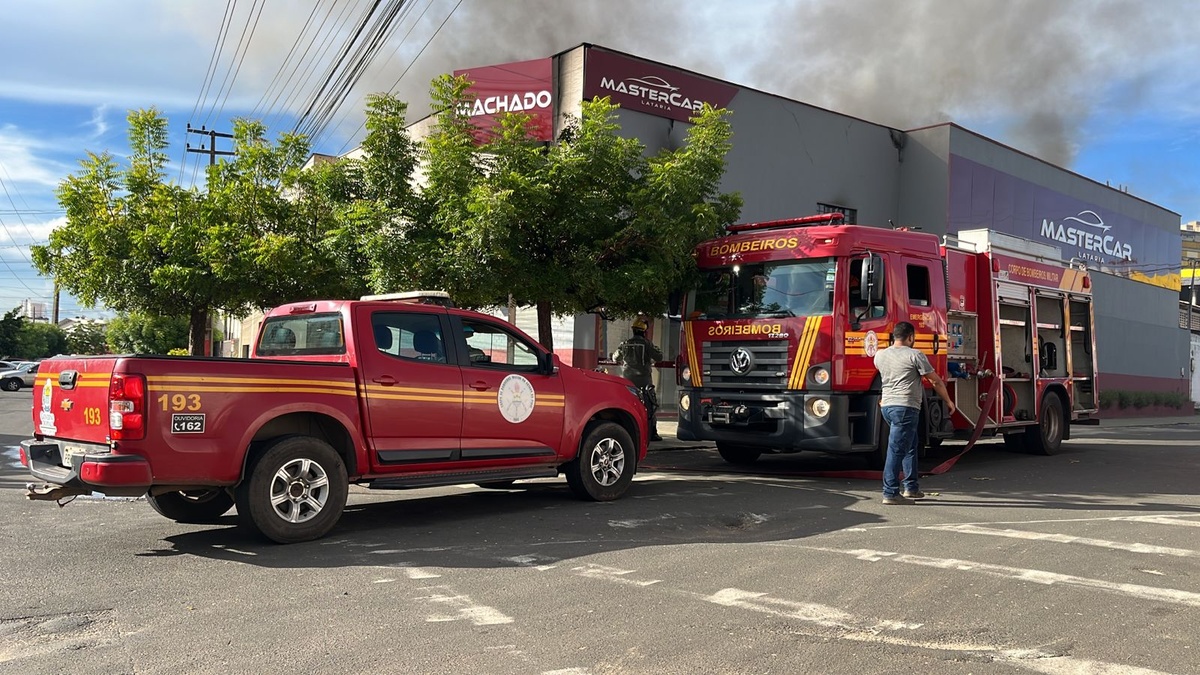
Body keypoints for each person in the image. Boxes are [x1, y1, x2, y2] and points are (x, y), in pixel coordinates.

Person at [872, 321, 956, 505]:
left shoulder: (880, 355)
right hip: (905, 407)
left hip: (887, 406)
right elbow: (935, 382)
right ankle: (890, 492)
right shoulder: (915, 355)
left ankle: (911, 487)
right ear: (911, 337)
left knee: (910, 444)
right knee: (896, 449)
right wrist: (948, 401)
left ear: (894, 336)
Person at [611, 318, 664, 441]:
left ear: (633, 331)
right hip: (644, 380)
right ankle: (652, 433)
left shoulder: (624, 344)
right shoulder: (647, 344)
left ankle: (628, 430)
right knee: (649, 405)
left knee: (627, 405)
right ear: (644, 332)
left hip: (628, 380)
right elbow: (659, 357)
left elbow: (615, 357)